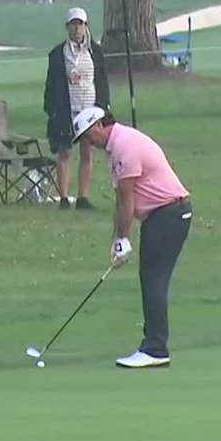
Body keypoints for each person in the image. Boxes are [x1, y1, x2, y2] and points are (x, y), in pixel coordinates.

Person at [72, 108, 191, 369]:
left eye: (87, 135)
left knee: (154, 280)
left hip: (169, 214)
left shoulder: (125, 146)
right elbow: (120, 201)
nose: (87, 142)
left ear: (100, 125)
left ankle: (156, 348)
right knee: (150, 279)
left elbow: (128, 200)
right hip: (162, 216)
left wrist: (124, 239)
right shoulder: (117, 147)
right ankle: (154, 346)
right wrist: (117, 240)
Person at [43, 7, 110, 209]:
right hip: (67, 110)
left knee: (87, 153)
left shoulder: (95, 51)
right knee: (64, 153)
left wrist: (103, 107)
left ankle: (83, 196)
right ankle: (63, 197)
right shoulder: (57, 54)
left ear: (85, 26)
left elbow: (102, 81)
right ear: (67, 27)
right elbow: (51, 85)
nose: (76, 28)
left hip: (90, 110)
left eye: (80, 24)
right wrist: (52, 110)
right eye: (73, 24)